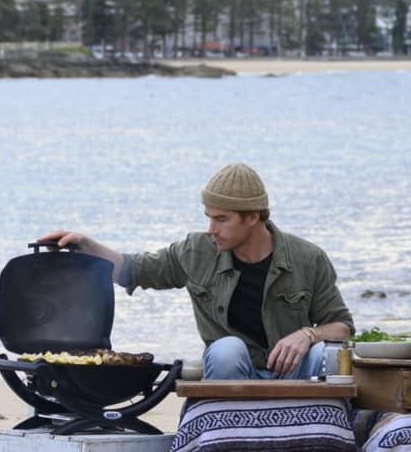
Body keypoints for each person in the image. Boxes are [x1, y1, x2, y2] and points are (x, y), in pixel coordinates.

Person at [36, 162, 354, 380]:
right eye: (208, 216)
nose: (211, 229)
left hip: (293, 373)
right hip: (233, 375)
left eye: (221, 219)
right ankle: (223, 439)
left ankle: (323, 436)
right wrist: (85, 244)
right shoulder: (195, 251)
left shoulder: (307, 258)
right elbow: (134, 270)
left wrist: (307, 334)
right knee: (228, 349)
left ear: (253, 216)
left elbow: (342, 327)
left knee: (327, 355)